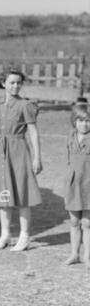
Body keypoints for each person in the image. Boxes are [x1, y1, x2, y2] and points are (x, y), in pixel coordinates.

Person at [0, 69, 42, 251]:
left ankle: (24, 236)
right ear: (3, 84)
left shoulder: (25, 105)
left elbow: (32, 131)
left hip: (19, 150)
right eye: (12, 82)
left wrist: (37, 157)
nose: (15, 86)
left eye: (18, 83)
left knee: (22, 195)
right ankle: (5, 234)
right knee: (3, 194)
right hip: (1, 152)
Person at [63, 102, 90, 267]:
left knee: (87, 223)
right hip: (73, 184)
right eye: (80, 120)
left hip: (89, 185)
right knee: (74, 222)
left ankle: (87, 256)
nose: (84, 124)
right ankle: (74, 254)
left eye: (88, 121)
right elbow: (68, 160)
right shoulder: (70, 137)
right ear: (74, 121)